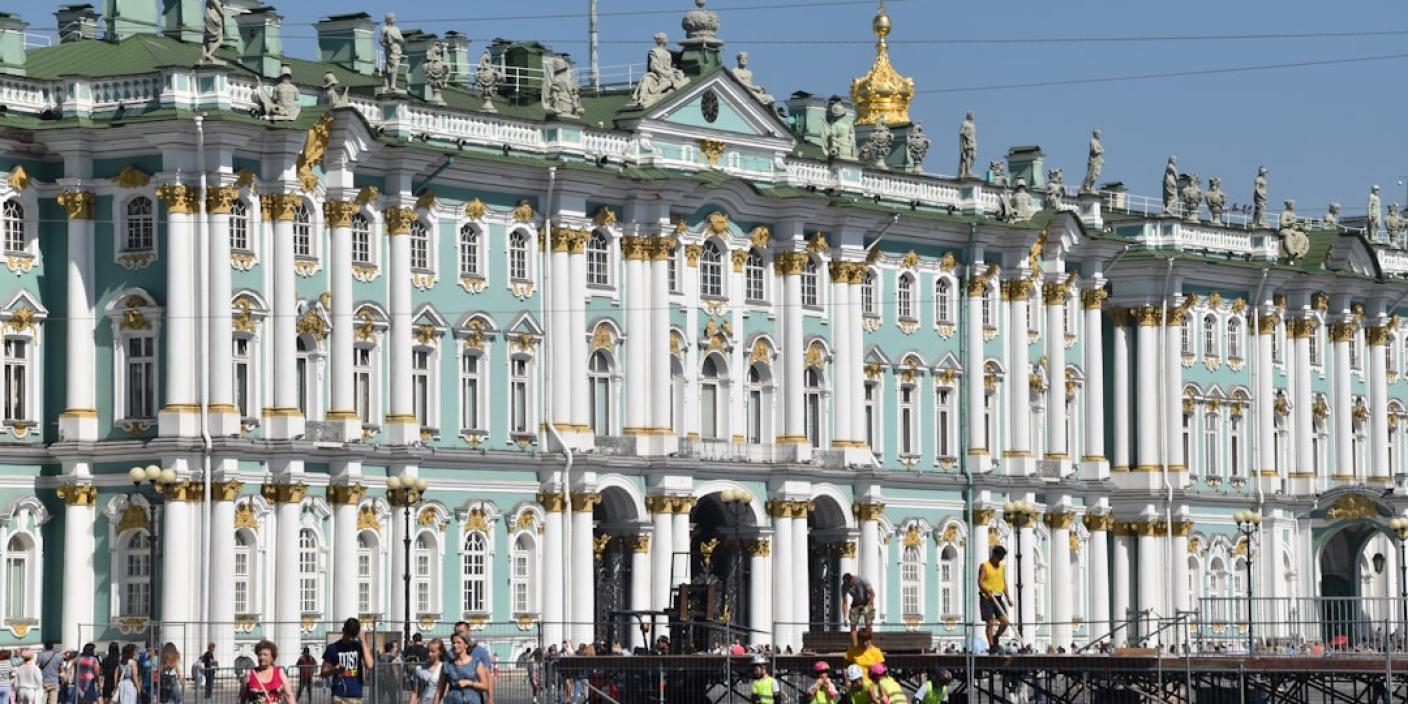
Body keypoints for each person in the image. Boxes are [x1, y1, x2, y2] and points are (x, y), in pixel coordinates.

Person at [321, 618, 372, 704]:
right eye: (349, 634)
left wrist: (363, 641)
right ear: (343, 630)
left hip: (356, 695)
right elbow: (323, 673)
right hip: (339, 695)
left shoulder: (359, 646)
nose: (351, 638)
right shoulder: (332, 648)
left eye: (353, 635)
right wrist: (333, 670)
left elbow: (369, 664)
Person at [433, 634, 491, 704]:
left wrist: (469, 683)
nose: (455, 645)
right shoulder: (447, 665)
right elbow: (439, 690)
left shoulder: (476, 663)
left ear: (466, 645)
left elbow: (485, 685)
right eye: (453, 643)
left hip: (472, 701)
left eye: (458, 642)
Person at [978, 545, 1012, 651]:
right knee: (990, 622)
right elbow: (980, 582)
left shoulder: (1001, 567)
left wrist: (1008, 597)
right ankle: (991, 646)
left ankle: (996, 637)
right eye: (999, 557)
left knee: (1005, 622)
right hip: (987, 597)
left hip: (998, 597)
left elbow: (1003, 583)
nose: (1000, 560)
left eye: (1002, 558)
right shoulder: (985, 566)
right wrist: (986, 591)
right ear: (994, 555)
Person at [841, 574, 875, 647]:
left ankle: (869, 644)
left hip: (867, 602)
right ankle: (855, 646)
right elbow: (844, 602)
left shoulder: (862, 580)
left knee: (868, 623)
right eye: (847, 584)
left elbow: (872, 594)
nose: (849, 586)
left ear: (853, 579)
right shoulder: (844, 587)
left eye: (850, 584)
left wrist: (868, 606)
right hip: (855, 604)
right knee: (853, 624)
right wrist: (845, 617)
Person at [407, 638, 442, 704]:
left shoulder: (443, 668)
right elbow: (415, 692)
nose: (429, 654)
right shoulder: (419, 669)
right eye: (428, 651)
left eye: (433, 652)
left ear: (440, 652)